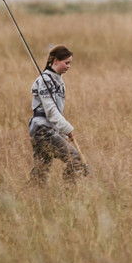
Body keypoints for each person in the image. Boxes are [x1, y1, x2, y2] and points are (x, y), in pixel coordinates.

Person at [28, 45, 88, 183]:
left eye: (70, 63)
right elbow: (51, 111)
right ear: (55, 61)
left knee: (40, 171)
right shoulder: (45, 80)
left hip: (47, 130)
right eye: (66, 63)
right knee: (75, 159)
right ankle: (69, 194)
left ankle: (35, 197)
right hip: (42, 130)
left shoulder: (58, 80)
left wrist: (61, 132)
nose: (69, 66)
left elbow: (57, 112)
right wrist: (68, 129)